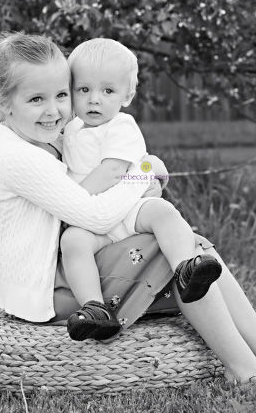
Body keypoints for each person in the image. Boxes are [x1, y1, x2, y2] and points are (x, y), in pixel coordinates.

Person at [0, 31, 256, 391]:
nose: (53, 110)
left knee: (190, 249)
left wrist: (139, 174)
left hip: (59, 271)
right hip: (48, 292)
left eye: (61, 95)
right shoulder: (18, 158)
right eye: (36, 99)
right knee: (171, 251)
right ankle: (248, 371)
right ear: (5, 101)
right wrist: (143, 172)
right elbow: (95, 215)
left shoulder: (38, 139)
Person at [61, 38, 222, 341]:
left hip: (127, 206)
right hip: (93, 222)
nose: (94, 100)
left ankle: (184, 269)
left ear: (127, 95)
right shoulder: (70, 129)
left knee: (162, 211)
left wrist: (72, 199)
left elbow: (113, 170)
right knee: (72, 242)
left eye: (107, 91)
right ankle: (95, 308)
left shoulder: (121, 126)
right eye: (83, 90)